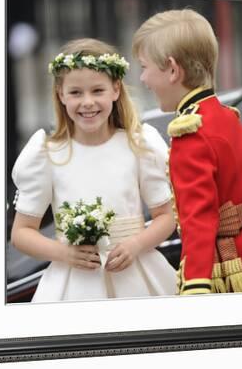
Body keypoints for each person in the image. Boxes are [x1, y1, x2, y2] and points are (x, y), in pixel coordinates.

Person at [10, 38, 177, 302]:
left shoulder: (139, 145)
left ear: (115, 89)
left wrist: (136, 245)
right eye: (76, 92)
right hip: (73, 285)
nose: (87, 102)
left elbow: (166, 216)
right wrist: (64, 252)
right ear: (61, 94)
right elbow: (21, 233)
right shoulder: (47, 153)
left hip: (137, 275)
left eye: (97, 90)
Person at [132, 9, 242, 295]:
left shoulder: (190, 131)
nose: (143, 79)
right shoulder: (227, 116)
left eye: (144, 67)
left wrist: (195, 284)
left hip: (223, 265)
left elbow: (198, 220)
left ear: (173, 70)